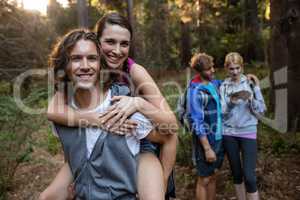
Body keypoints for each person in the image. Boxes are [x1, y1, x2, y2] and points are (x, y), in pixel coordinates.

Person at [40, 13, 177, 200]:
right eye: (110, 42)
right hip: (102, 142)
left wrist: (139, 103)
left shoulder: (134, 71)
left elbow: (171, 127)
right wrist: (98, 120)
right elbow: (55, 113)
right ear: (96, 41)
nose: (117, 50)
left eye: (124, 44)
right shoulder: (77, 78)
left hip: (139, 140)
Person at [220, 52, 266, 200]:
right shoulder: (224, 86)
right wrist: (231, 103)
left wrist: (253, 95)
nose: (235, 72)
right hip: (229, 132)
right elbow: (222, 113)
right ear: (226, 68)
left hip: (248, 131)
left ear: (242, 67)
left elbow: (262, 110)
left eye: (237, 68)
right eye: (231, 69)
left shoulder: (250, 83)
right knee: (237, 174)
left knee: (250, 177)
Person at [186, 53, 224, 200]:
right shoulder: (195, 91)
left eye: (212, 67)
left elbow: (230, 83)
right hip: (206, 141)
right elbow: (197, 122)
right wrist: (207, 149)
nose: (213, 70)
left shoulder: (214, 84)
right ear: (200, 71)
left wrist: (250, 78)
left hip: (218, 137)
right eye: (209, 69)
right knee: (204, 179)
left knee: (213, 175)